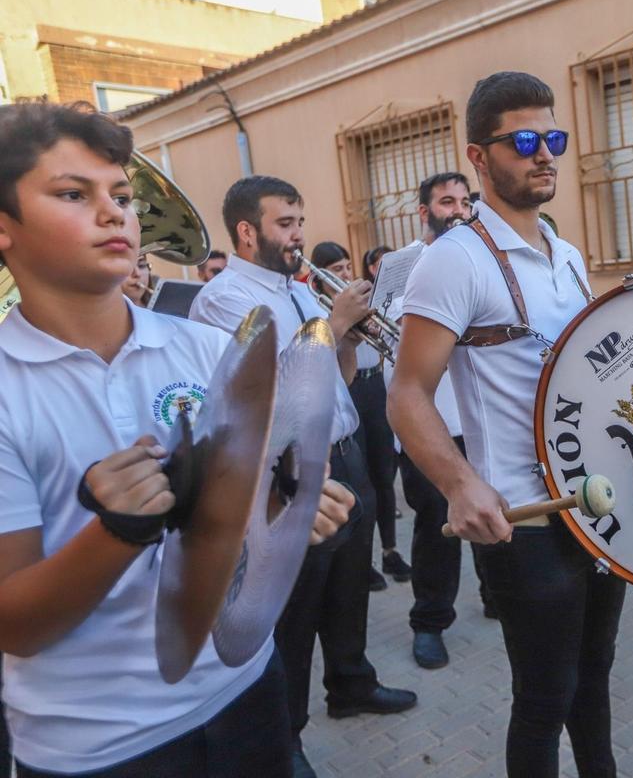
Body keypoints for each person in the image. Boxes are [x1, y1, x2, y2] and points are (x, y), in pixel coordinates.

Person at [0, 101, 352, 776]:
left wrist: (291, 504)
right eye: (74, 194)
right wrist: (117, 532)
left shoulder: (208, 346)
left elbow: (253, 509)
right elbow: (14, 624)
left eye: (123, 196)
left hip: (244, 686)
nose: (115, 214)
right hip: (102, 743)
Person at [389, 71, 625, 777]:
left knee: (596, 677)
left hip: (599, 505)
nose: (544, 153)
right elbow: (406, 394)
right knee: (545, 696)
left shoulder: (570, 255)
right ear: (478, 156)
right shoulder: (452, 260)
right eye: (523, 140)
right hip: (523, 515)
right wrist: (461, 484)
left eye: (552, 137)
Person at [190, 176, 417, 778]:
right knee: (294, 605)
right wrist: (336, 325)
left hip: (341, 453)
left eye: (298, 221)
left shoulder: (302, 290)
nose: (297, 235)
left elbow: (331, 379)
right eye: (284, 224)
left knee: (346, 585)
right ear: (247, 231)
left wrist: (352, 339)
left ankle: (351, 681)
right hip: (285, 467)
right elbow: (265, 386)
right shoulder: (223, 299)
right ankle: (283, 734)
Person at [381, 171, 493, 671]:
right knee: (436, 530)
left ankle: (498, 597)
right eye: (447, 202)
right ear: (424, 211)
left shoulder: (482, 257)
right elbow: (390, 345)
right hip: (431, 424)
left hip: (480, 420)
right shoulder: (401, 265)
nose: (459, 209)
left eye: (465, 201)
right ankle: (430, 622)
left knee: (498, 513)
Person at [309, 241, 411, 592]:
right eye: (336, 270)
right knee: (363, 474)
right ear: (320, 278)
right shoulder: (322, 310)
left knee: (384, 476)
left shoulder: (358, 300)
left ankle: (390, 548)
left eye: (346, 267)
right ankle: (363, 561)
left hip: (374, 386)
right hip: (348, 392)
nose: (344, 274)